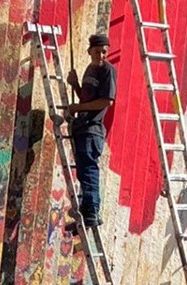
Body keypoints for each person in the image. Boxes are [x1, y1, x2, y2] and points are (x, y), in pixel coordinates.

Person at [64, 32, 116, 229]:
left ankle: (92, 211)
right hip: (82, 127)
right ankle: (88, 215)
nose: (101, 56)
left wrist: (77, 108)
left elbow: (106, 102)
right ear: (89, 51)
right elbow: (86, 99)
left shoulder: (108, 72)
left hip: (92, 129)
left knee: (89, 171)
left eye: (104, 52)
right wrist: (75, 84)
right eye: (98, 52)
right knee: (83, 173)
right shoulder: (89, 70)